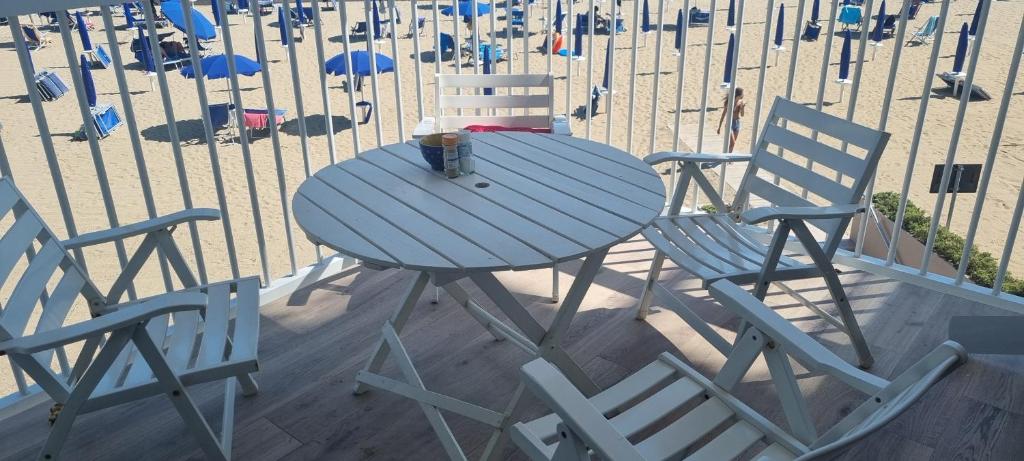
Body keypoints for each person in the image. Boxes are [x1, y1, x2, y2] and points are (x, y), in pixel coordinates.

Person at [717, 87, 745, 153]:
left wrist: (742, 108)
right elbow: (723, 114)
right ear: (739, 94)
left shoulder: (741, 102)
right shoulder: (729, 102)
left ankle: (729, 158)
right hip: (730, 123)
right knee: (733, 142)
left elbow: (742, 115)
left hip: (737, 123)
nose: (743, 95)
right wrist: (719, 127)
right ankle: (727, 157)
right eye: (742, 93)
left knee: (732, 144)